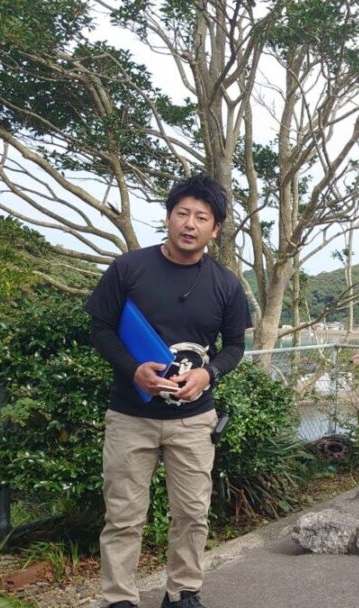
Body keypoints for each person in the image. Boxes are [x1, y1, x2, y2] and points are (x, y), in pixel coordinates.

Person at [86, 174, 250, 608]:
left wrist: (209, 374)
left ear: (215, 229)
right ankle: (119, 598)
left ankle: (182, 593)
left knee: (193, 514)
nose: (190, 224)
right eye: (182, 213)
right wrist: (132, 368)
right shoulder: (129, 268)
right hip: (130, 414)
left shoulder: (226, 284)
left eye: (202, 217)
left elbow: (235, 346)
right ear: (168, 217)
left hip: (194, 420)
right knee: (123, 515)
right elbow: (99, 328)